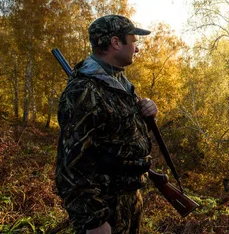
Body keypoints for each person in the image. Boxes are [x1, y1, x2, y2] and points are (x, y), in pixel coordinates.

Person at [55, 15, 158, 234]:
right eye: (133, 41)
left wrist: (147, 113)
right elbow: (72, 165)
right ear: (115, 42)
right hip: (106, 206)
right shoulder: (83, 91)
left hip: (129, 200)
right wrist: (94, 221)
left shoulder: (118, 82)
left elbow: (119, 134)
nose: (137, 49)